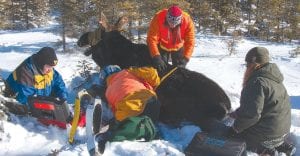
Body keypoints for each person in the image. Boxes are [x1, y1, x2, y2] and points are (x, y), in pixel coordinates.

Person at [227, 47, 296, 156]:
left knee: (232, 136)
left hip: (266, 135)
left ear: (255, 65)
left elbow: (252, 115)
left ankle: (263, 150)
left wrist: (235, 128)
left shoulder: (257, 82)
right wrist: (239, 112)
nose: (246, 69)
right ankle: (279, 145)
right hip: (282, 132)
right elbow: (262, 106)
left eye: (247, 65)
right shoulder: (274, 79)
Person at [88, 65, 161, 154]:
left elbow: (115, 112)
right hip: (151, 103)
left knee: (119, 127)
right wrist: (154, 83)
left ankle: (143, 128)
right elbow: (153, 73)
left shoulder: (108, 92)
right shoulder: (128, 72)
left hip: (130, 113)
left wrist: (114, 124)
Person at [3, 47, 68, 115]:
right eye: (48, 67)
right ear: (41, 63)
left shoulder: (48, 70)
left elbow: (59, 84)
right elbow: (26, 99)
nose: (50, 70)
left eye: (52, 67)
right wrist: (44, 109)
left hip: (40, 102)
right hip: (19, 104)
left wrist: (63, 99)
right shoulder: (26, 73)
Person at [147, 5, 195, 72]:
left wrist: (186, 58)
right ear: (166, 17)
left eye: (175, 24)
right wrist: (156, 56)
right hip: (162, 46)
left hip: (178, 46)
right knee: (161, 68)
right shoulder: (158, 17)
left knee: (179, 70)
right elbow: (152, 38)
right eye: (170, 23)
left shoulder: (187, 21)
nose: (173, 25)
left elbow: (190, 41)